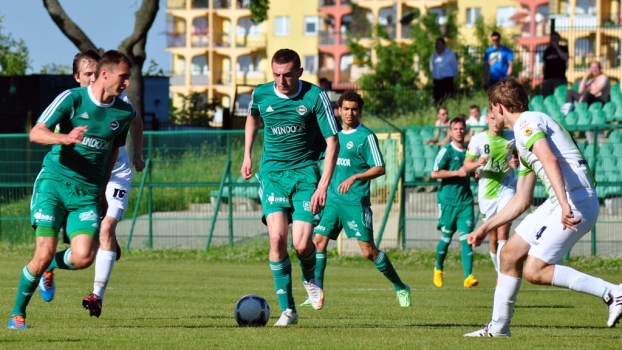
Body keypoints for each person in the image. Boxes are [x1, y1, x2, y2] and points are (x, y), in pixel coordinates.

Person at [464, 77, 622, 337]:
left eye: (491, 108)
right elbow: (521, 200)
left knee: (535, 270)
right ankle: (499, 328)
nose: (490, 113)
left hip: (573, 199)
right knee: (510, 254)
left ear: (499, 107)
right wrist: (485, 228)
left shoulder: (527, 122)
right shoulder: (524, 133)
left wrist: (563, 204)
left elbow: (549, 159)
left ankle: (613, 292)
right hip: (560, 200)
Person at [8, 50, 135, 329]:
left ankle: (48, 267)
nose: (127, 83)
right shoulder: (72, 99)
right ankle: (18, 313)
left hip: (87, 192)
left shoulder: (125, 113)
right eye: (123, 77)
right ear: (106, 74)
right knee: (42, 252)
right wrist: (63, 137)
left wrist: (101, 190)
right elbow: (36, 132)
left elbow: (114, 149)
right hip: (53, 184)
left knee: (84, 257)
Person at [37, 50, 145, 318]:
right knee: (90, 244)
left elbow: (136, 120)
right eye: (87, 74)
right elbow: (42, 133)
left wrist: (138, 153)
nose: (92, 78)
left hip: (116, 173)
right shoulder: (73, 103)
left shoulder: (118, 99)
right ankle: (47, 263)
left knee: (106, 228)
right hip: (80, 180)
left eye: (94, 73)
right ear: (78, 77)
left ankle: (97, 295)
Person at [241, 48, 340, 327]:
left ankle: (310, 276)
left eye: (287, 75)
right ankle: (288, 311)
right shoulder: (260, 94)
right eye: (276, 74)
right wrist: (247, 153)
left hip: (306, 175)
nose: (281, 80)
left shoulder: (314, 96)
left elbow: (333, 143)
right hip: (272, 174)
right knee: (276, 240)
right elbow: (252, 117)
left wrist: (323, 186)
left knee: (300, 243)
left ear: (299, 72)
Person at [302, 91, 411, 308]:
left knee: (369, 252)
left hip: (355, 202)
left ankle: (400, 287)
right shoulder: (332, 136)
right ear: (339, 110)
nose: (350, 113)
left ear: (359, 111)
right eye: (346, 109)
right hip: (332, 200)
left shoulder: (366, 137)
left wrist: (355, 176)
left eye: (354, 109)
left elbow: (379, 168)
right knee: (318, 243)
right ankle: (317, 294)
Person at [462, 108, 518, 273]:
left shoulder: (512, 137)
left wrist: (516, 163)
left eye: (497, 118)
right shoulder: (478, 139)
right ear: (487, 119)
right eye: (492, 118)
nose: (495, 122)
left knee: (502, 233)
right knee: (492, 236)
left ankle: (502, 274)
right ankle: (497, 267)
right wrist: (477, 164)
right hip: (487, 192)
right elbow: (466, 166)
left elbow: (520, 159)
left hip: (507, 188)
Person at [431, 116, 478, 288]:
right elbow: (434, 174)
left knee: (466, 239)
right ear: (450, 132)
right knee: (446, 238)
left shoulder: (470, 152)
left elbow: (471, 172)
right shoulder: (446, 151)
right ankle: (438, 269)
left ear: (465, 130)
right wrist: (456, 173)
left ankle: (468, 277)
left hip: (465, 202)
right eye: (456, 129)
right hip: (447, 202)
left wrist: (475, 174)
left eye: (461, 128)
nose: (459, 131)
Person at [430, 37, 458, 104]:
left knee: (448, 98)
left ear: (443, 45)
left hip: (447, 80)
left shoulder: (450, 54)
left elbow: (455, 66)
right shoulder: (434, 55)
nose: (437, 46)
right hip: (437, 81)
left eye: (439, 44)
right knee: (437, 99)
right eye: (436, 44)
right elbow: (431, 67)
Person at [541, 32, 569, 98]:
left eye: (555, 38)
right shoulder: (547, 50)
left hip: (559, 77)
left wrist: (556, 46)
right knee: (546, 96)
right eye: (552, 38)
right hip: (547, 78)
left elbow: (564, 57)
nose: (553, 40)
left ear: (559, 39)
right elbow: (545, 64)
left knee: (560, 96)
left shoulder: (563, 48)